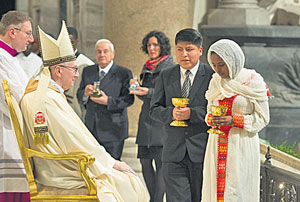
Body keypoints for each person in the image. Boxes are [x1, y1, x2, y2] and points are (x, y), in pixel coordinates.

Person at [20, 21, 149, 202]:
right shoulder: (47, 99)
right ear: (58, 70)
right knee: (128, 182)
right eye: (73, 69)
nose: (77, 74)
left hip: (58, 164)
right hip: (62, 171)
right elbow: (73, 139)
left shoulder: (45, 92)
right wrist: (110, 162)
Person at [149, 28, 214, 202]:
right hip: (173, 152)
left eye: (189, 49)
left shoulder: (211, 76)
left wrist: (191, 114)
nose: (184, 54)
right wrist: (172, 113)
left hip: (202, 152)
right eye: (179, 49)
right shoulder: (166, 75)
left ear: (200, 51)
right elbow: (154, 109)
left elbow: (215, 110)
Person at [202, 39, 270, 202]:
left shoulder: (253, 81)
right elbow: (208, 112)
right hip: (216, 144)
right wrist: (213, 119)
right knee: (214, 189)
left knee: (238, 190)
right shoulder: (215, 81)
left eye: (221, 64)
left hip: (241, 145)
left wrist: (234, 120)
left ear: (233, 60)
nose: (218, 70)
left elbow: (262, 118)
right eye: (214, 65)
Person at [130, 30, 175, 202]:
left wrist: (148, 91)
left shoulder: (170, 66)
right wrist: (137, 88)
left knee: (160, 163)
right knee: (144, 161)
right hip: (146, 120)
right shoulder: (147, 66)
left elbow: (169, 94)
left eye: (155, 44)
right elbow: (146, 95)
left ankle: (156, 200)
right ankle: (153, 198)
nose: (151, 48)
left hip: (161, 122)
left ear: (162, 46)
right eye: (149, 45)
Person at [77, 39, 134, 160]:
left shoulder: (123, 73)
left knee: (113, 168)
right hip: (92, 128)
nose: (102, 55)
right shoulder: (88, 71)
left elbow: (128, 99)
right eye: (99, 52)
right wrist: (85, 94)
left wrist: (108, 101)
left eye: (105, 51)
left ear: (113, 54)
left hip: (114, 129)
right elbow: (79, 94)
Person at [0, 10, 34, 201]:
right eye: (27, 33)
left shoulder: (8, 57)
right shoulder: (1, 58)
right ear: (13, 32)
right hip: (6, 135)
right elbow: (15, 97)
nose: (31, 39)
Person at [64, 27, 94, 120]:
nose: (68, 45)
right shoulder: (55, 62)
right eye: (66, 42)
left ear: (76, 42)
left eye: (71, 42)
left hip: (77, 109)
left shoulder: (85, 63)